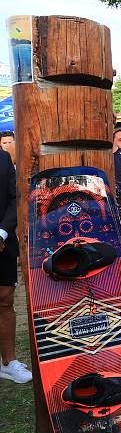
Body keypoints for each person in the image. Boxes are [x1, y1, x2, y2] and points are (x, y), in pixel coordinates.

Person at [0, 147, 31, 384]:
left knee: (5, 299)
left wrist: (1, 233)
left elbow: (14, 198)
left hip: (2, 241)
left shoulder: (3, 158)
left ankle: (9, 362)